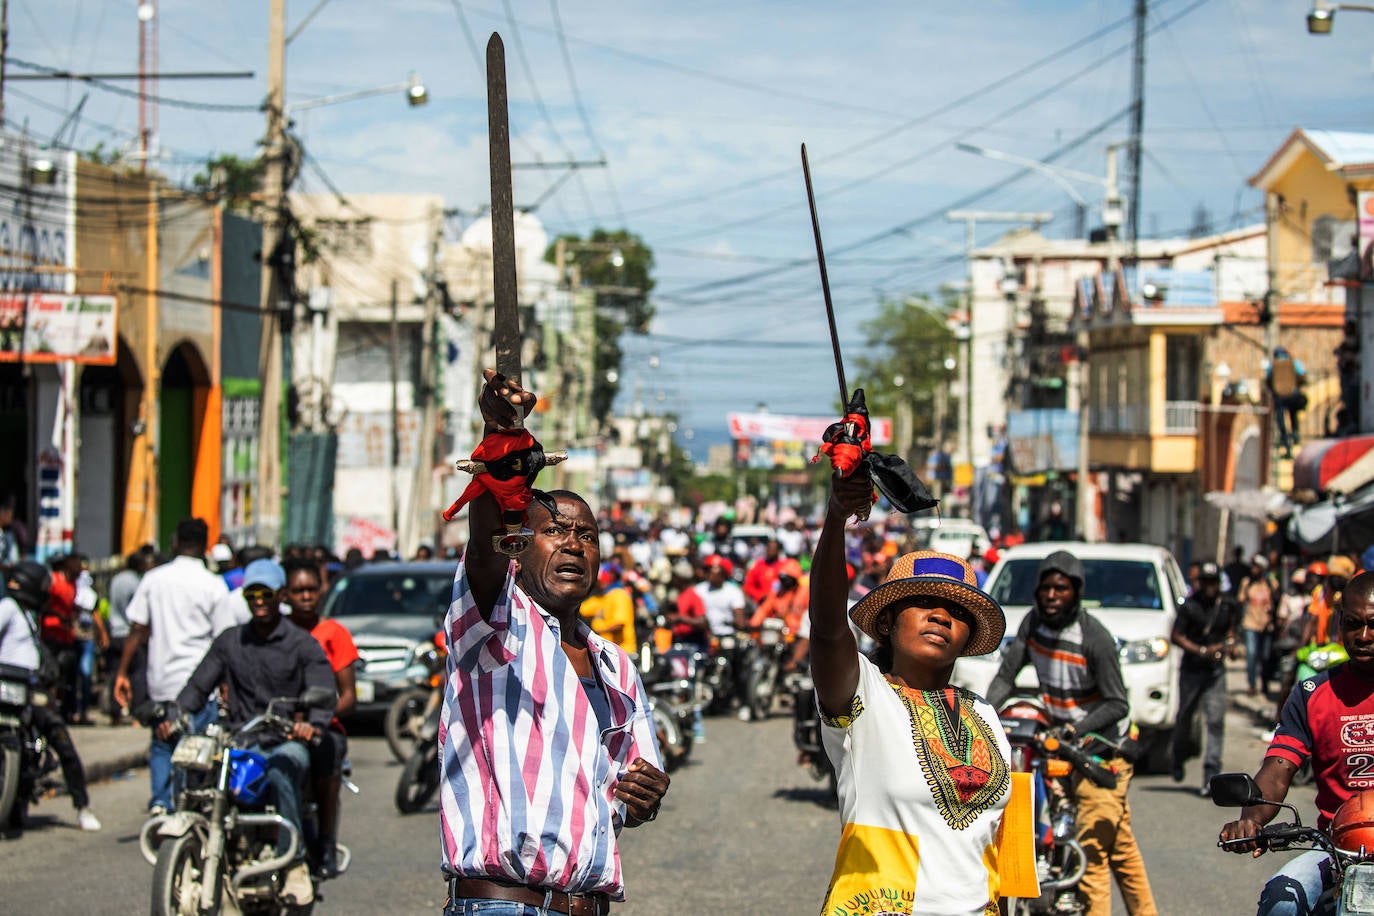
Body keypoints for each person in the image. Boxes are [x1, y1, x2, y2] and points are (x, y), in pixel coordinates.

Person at [440, 369, 668, 916]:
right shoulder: (496, 623)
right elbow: (485, 548)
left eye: (585, 535)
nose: (572, 544)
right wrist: (502, 438)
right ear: (521, 546)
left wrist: (644, 795)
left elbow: (633, 785)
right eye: (556, 531)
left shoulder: (615, 666)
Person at [810, 471, 1028, 914]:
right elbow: (829, 629)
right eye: (924, 603)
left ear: (970, 637)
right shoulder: (864, 697)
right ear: (888, 623)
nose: (941, 616)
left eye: (955, 610)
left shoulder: (985, 714)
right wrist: (835, 518)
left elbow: (1000, 853)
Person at [988, 549, 1157, 916]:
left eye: (1061, 589)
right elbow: (1005, 675)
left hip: (1101, 752)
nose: (1051, 596)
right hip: (1062, 750)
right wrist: (984, 714)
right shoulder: (1033, 624)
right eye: (1046, 588)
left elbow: (1117, 704)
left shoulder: (1094, 637)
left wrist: (1074, 729)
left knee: (1091, 856)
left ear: (1075, 592)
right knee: (1121, 849)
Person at [165, 559, 334, 905]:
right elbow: (198, 686)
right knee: (197, 769)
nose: (258, 600)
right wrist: (176, 712)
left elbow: (322, 689)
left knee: (283, 769)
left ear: (280, 596)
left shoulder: (302, 645)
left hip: (282, 741)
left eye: (266, 593)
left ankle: (294, 862)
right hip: (238, 742)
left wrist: (310, 723)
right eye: (252, 593)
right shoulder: (229, 642)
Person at [1220, 570, 1374, 914]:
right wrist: (1252, 820)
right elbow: (1278, 770)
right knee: (1281, 901)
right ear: (1339, 624)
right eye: (1353, 624)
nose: (1363, 636)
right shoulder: (1312, 695)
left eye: (1373, 624)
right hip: (1337, 850)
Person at [113, 517, 233, 815]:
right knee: (197, 748)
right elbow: (225, 641)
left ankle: (161, 803)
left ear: (176, 542)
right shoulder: (214, 585)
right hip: (200, 685)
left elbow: (137, 629)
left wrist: (121, 672)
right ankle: (189, 805)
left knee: (163, 744)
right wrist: (227, 683)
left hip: (163, 681)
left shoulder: (154, 580)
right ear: (205, 546)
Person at [0, 561, 101, 834]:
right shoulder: (8, 608)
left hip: (30, 691)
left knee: (60, 738)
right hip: (6, 689)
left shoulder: (30, 615)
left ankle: (82, 806)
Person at [280, 556, 356, 877]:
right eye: (299, 591)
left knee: (328, 756)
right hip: (278, 725)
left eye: (312, 589)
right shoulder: (276, 633)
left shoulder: (334, 633)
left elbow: (348, 696)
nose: (307, 596)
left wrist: (316, 721)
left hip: (323, 727)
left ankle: (326, 842)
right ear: (285, 594)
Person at [1170, 562, 1242, 795]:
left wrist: (1230, 646)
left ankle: (1211, 775)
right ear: (1200, 583)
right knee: (1185, 717)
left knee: (1215, 720)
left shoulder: (1228, 605)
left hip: (1215, 672)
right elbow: (1176, 636)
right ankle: (1178, 755)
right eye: (1207, 582)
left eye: (1214, 582)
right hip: (1192, 669)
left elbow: (1231, 631)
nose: (1211, 587)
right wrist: (1201, 651)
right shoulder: (1190, 606)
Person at [105, 547, 155, 723]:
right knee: (138, 672)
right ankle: (137, 714)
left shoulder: (116, 579)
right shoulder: (136, 582)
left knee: (117, 672)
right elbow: (137, 616)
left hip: (114, 631)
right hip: (129, 634)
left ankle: (115, 712)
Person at [1240, 555, 1278, 697]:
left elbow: (1277, 599)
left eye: (1256, 566)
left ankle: (1265, 682)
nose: (1253, 569)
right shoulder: (1247, 582)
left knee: (1266, 656)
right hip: (1251, 624)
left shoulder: (1270, 583)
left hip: (1266, 625)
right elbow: (1241, 600)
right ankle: (1251, 684)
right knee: (1251, 654)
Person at [579, 562, 638, 654]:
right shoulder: (602, 597)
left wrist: (595, 633)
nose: (599, 583)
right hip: (607, 651)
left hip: (623, 652)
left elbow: (619, 624)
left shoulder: (619, 594)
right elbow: (581, 609)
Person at [742, 539, 783, 606]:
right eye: (769, 548)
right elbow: (748, 585)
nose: (770, 551)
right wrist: (760, 596)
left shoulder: (785, 566)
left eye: (773, 549)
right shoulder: (758, 565)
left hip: (780, 603)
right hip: (761, 604)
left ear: (779, 551)